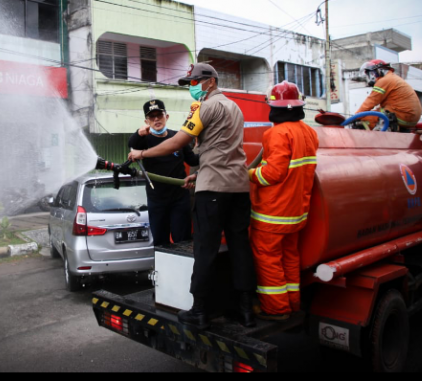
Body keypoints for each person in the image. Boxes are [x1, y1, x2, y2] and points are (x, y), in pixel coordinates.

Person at [128, 63, 256, 328]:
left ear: (210, 82)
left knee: (204, 249)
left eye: (195, 82)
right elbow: (224, 150)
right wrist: (197, 174)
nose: (192, 88)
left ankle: (199, 311)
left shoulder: (204, 108)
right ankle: (245, 310)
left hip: (214, 191)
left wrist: (142, 154)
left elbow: (178, 142)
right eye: (190, 84)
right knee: (240, 247)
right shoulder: (235, 108)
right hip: (239, 187)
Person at [248, 81, 319, 321]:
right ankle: (292, 303)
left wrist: (249, 174)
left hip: (272, 214)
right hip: (297, 213)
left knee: (268, 259)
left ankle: (276, 309)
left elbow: (272, 174)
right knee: (289, 257)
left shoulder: (276, 133)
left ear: (272, 106)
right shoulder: (309, 132)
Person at [128, 99, 199, 246]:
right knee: (160, 243)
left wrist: (211, 153)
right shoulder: (144, 140)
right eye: (151, 117)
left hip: (179, 198)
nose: (156, 119)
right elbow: (132, 144)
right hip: (157, 200)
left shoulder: (177, 138)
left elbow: (192, 160)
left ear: (166, 117)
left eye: (159, 115)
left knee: (183, 241)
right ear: (146, 121)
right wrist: (139, 133)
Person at [355, 59, 422, 131]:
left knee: (365, 118)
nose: (371, 77)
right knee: (378, 111)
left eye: (371, 73)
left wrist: (356, 116)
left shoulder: (384, 81)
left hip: (402, 116)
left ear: (379, 71)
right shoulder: (393, 78)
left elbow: (371, 101)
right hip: (411, 119)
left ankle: (372, 139)